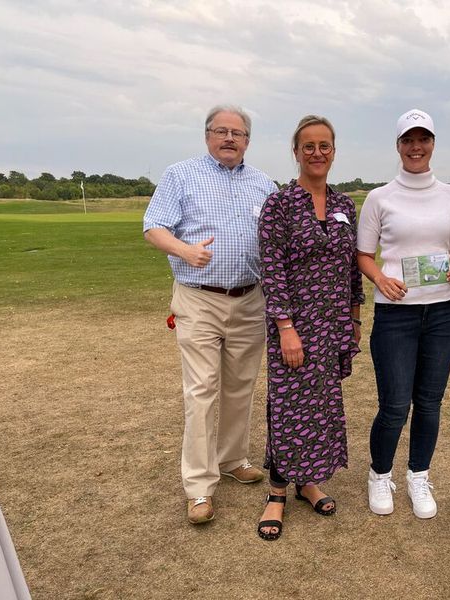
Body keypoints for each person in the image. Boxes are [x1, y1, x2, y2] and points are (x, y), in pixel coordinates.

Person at [143, 104, 277, 525]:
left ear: (248, 141)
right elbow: (153, 226)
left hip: (250, 298)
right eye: (221, 131)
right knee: (201, 391)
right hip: (199, 298)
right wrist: (185, 250)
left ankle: (233, 458)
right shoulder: (180, 175)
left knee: (240, 386)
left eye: (238, 133)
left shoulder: (263, 184)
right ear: (207, 136)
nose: (230, 139)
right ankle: (199, 486)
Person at [357, 109, 450, 519]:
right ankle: (379, 474)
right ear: (398, 146)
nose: (416, 147)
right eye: (409, 140)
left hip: (443, 314)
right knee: (394, 405)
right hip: (396, 315)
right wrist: (380, 281)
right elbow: (364, 256)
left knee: (429, 403)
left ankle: (418, 475)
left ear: (433, 144)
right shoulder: (379, 198)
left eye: (423, 139)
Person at [256, 115, 364, 541]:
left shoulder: (343, 205)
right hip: (294, 325)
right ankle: (278, 492)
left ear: (333, 151)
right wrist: (285, 326)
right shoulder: (279, 205)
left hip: (333, 322)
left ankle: (309, 481)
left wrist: (355, 316)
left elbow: (351, 266)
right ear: (296, 152)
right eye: (309, 146)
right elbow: (273, 270)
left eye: (325, 145)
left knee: (320, 404)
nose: (317, 153)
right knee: (287, 406)